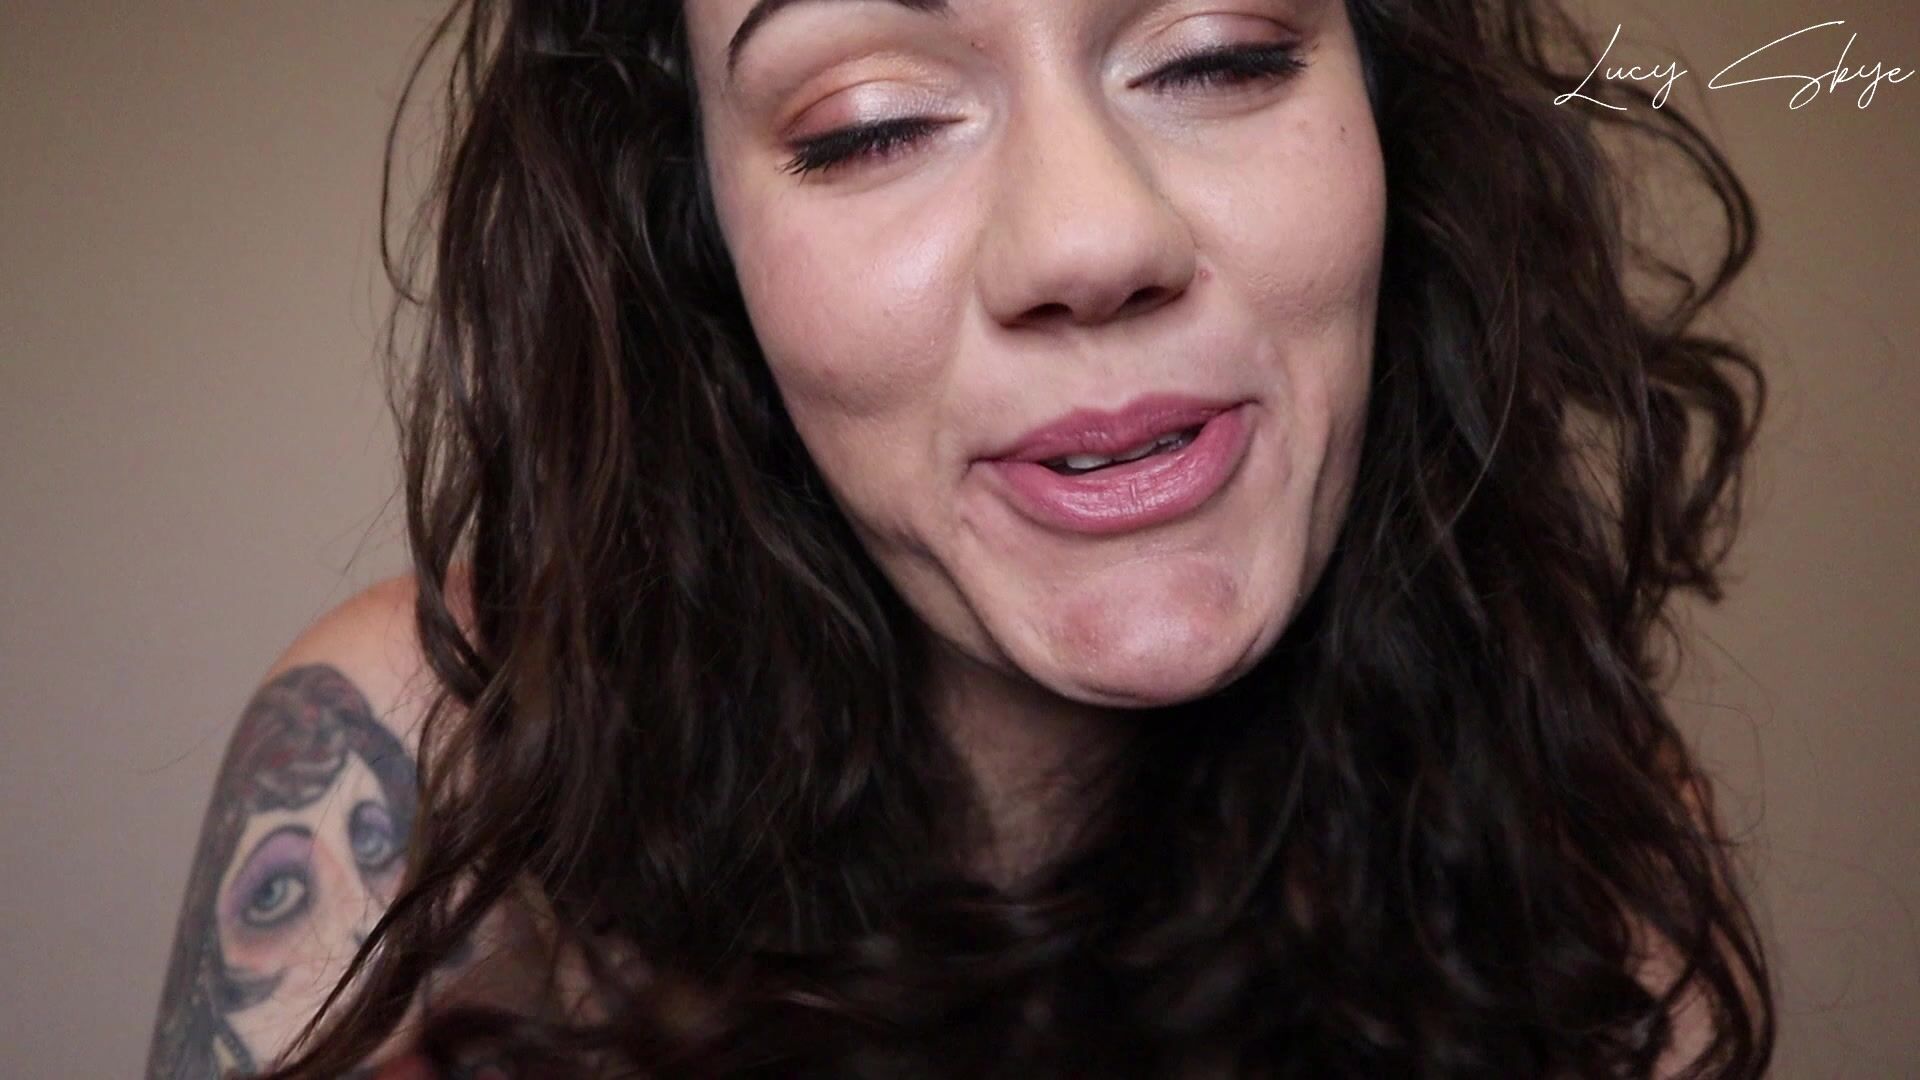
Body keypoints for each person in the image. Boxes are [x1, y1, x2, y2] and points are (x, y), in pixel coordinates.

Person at [149, 0, 1776, 1075]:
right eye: (869, 123)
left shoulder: (1575, 835)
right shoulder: (403, 765)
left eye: (1216, 53)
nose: (1091, 237)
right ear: (695, 246)